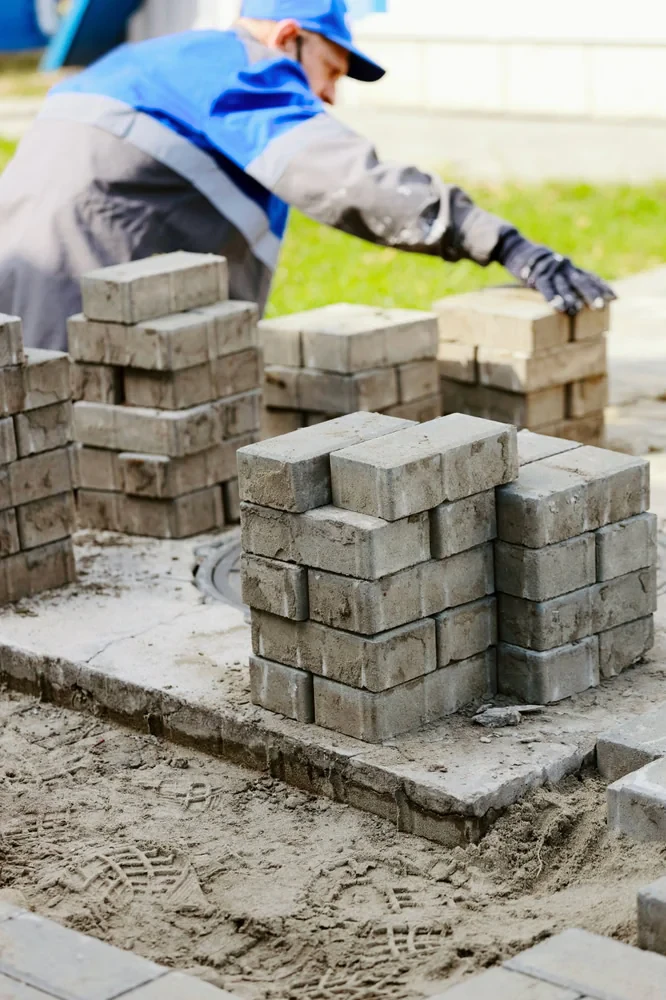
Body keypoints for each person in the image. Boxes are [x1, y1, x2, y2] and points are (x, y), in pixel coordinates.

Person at [0, 0, 614, 351]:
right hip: (77, 314)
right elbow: (351, 182)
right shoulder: (246, 71)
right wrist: (506, 244)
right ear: (288, 38)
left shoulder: (160, 60)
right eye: (331, 71)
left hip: (20, 285)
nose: (330, 95)